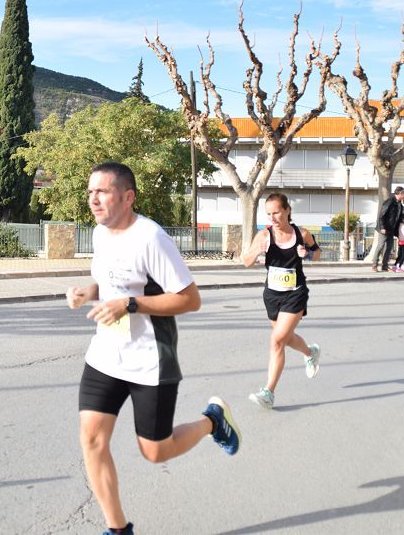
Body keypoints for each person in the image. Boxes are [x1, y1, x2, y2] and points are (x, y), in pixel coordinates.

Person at [67, 162, 240, 535]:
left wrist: (130, 305)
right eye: (90, 191)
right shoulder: (100, 233)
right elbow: (113, 280)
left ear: (127, 197)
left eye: (102, 191)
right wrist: (90, 291)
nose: (93, 199)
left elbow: (190, 300)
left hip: (150, 361)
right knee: (93, 440)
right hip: (105, 356)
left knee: (155, 451)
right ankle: (118, 530)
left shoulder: (151, 238)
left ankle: (212, 421)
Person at [240, 192, 322, 409]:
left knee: (277, 341)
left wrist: (307, 254)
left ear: (287, 210)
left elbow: (317, 253)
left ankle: (268, 392)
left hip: (295, 293)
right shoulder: (264, 235)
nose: (273, 217)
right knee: (284, 338)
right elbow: (246, 262)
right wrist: (258, 250)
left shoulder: (301, 233)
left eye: (276, 212)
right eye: (269, 214)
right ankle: (310, 352)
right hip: (272, 295)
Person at [373, 186, 404, 272]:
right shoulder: (390, 201)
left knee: (389, 247)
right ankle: (374, 265)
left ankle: (385, 266)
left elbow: (400, 216)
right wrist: (383, 227)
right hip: (384, 228)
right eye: (403, 194)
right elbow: (381, 215)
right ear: (399, 194)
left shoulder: (400, 205)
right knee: (380, 246)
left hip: (391, 229)